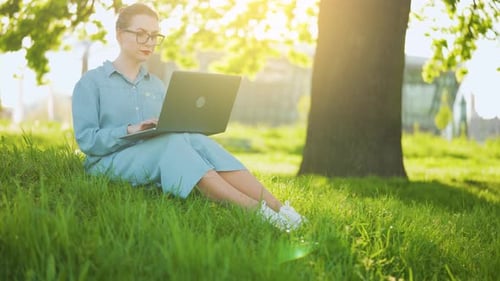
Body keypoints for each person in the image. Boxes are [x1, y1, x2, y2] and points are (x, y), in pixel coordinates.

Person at [72, 3, 306, 231]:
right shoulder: (92, 83)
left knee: (196, 139)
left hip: (155, 154)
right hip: (108, 162)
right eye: (141, 34)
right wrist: (130, 130)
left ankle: (279, 208)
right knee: (172, 142)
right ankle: (258, 212)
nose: (149, 42)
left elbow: (168, 127)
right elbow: (87, 141)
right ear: (120, 34)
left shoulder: (156, 85)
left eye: (154, 36)